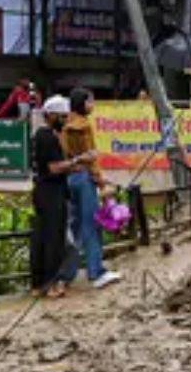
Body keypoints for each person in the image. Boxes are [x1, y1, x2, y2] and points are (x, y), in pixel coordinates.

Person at [61, 88, 122, 289]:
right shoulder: (84, 125)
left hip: (70, 177)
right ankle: (96, 272)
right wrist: (100, 181)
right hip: (84, 177)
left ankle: (67, 274)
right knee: (91, 225)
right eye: (90, 101)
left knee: (76, 226)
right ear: (83, 103)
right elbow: (92, 156)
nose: (93, 104)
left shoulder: (65, 125)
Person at [30, 96, 82, 299]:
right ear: (51, 116)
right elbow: (53, 167)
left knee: (43, 237)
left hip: (48, 191)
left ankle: (39, 283)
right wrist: (77, 160)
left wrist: (72, 165)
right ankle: (49, 284)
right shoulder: (46, 137)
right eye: (62, 117)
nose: (65, 120)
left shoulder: (48, 136)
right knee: (52, 239)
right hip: (50, 193)